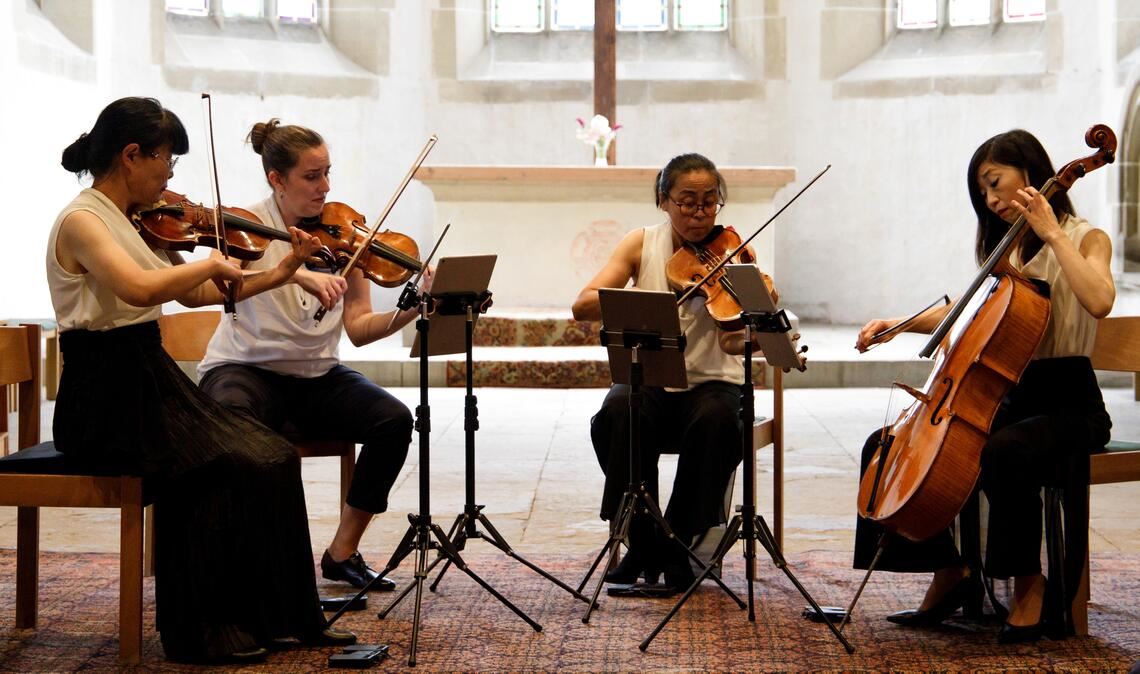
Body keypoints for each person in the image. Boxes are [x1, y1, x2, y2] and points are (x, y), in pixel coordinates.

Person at [47, 97, 356, 663]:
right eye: (166, 159)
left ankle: (280, 616)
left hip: (147, 375)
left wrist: (279, 271)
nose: (170, 174)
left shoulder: (136, 219)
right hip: (104, 393)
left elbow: (193, 294)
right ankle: (200, 631)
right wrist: (211, 261)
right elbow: (139, 290)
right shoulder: (83, 220)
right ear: (132, 154)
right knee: (215, 462)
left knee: (271, 453)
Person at [853, 129, 1115, 644]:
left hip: (1070, 401)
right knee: (885, 446)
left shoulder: (1086, 237)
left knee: (1004, 450)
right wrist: (900, 322)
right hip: (1014, 396)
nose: (991, 201)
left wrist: (1054, 234)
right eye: (983, 194)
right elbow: (968, 316)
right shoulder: (1007, 251)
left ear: (1031, 171)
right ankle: (949, 570)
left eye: (994, 184)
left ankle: (1029, 586)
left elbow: (1100, 300)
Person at [198, 118, 429, 592]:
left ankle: (342, 553)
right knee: (232, 420)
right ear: (276, 180)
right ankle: (252, 563)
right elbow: (218, 288)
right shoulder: (247, 229)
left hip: (317, 375)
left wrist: (413, 307)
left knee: (393, 419)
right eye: (311, 176)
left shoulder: (348, 237)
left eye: (328, 173)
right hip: (246, 369)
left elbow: (360, 330)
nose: (325, 187)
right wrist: (294, 271)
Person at [572, 152, 792, 592]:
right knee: (618, 409)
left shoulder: (733, 252)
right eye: (687, 201)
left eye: (709, 202)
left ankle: (673, 542)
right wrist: (635, 299)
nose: (699, 213)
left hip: (714, 385)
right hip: (651, 378)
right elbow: (583, 305)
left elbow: (738, 340)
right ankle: (645, 537)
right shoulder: (641, 243)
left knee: (716, 422)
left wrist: (744, 309)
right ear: (663, 200)